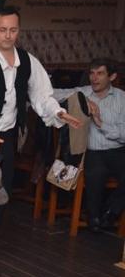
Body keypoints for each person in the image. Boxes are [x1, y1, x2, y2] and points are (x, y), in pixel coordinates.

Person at [0, 6, 80, 277]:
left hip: (7, 136)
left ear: (19, 31)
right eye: (3, 29)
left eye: (13, 30)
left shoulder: (27, 61)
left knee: (1, 197)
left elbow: (42, 96)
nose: (8, 35)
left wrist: (58, 113)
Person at [52, 59, 124, 232]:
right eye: (92, 73)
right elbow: (55, 94)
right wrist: (34, 87)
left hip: (118, 151)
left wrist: (99, 122)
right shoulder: (83, 93)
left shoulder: (122, 98)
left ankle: (111, 212)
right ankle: (95, 218)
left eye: (100, 73)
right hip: (93, 152)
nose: (94, 78)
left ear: (112, 77)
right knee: (95, 174)